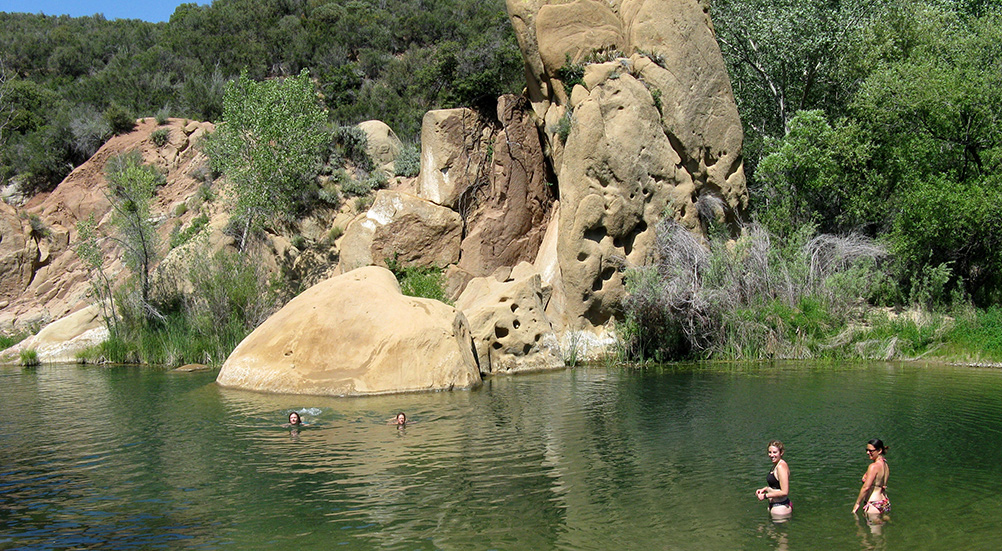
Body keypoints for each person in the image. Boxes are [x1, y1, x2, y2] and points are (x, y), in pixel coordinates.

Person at [852, 438, 890, 518]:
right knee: (882, 528)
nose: (867, 453)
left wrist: (857, 503)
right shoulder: (885, 465)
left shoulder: (873, 467)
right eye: (867, 450)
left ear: (879, 451)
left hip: (873, 503)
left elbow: (866, 487)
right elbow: (883, 485)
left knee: (873, 530)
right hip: (884, 502)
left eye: (870, 451)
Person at [755, 440, 791, 519]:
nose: (771, 455)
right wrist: (765, 489)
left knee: (778, 531)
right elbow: (776, 485)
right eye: (770, 452)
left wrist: (765, 496)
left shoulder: (781, 467)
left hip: (781, 508)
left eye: (775, 452)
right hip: (774, 506)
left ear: (781, 453)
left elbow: (784, 492)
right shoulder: (775, 465)